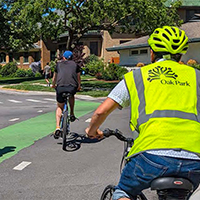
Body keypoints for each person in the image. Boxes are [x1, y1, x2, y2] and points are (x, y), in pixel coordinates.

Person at [85, 26, 200, 200]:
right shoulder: (197, 76)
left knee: (123, 192)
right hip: (195, 159)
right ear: (181, 55)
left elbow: (101, 112)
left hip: (152, 155)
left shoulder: (137, 76)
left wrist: (92, 131)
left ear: (152, 52)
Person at [52, 50, 81, 139]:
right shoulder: (76, 65)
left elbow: (54, 77)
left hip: (60, 87)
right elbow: (78, 77)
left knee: (59, 107)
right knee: (71, 95)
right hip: (72, 87)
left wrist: (53, 85)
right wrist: (79, 86)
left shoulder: (58, 64)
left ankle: (57, 127)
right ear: (72, 58)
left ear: (63, 57)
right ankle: (72, 113)